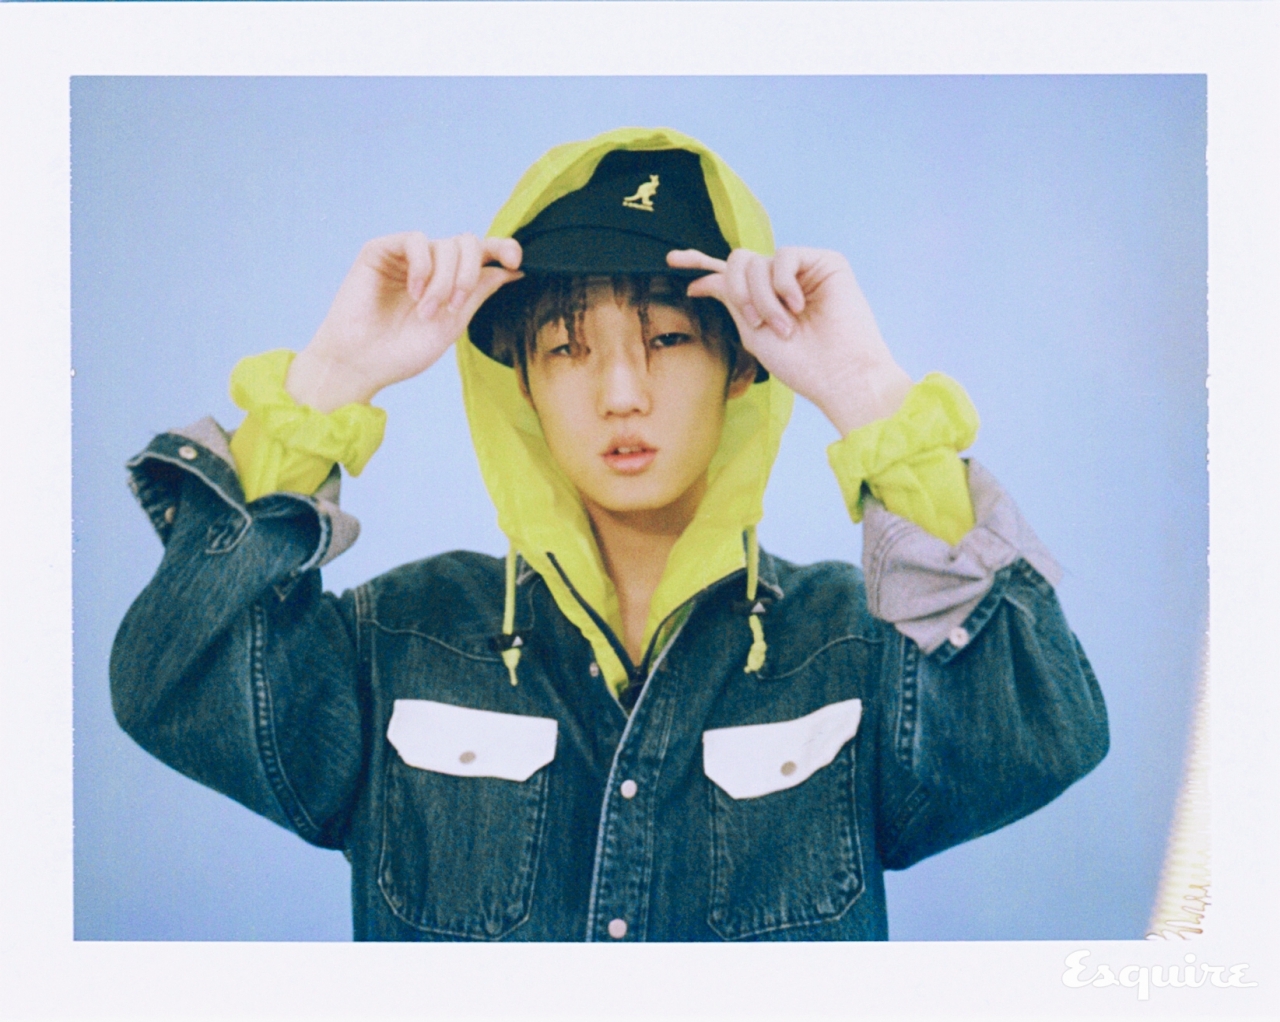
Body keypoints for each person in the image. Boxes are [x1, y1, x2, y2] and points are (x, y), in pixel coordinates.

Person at [110, 127, 1109, 942]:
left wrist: (869, 394)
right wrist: (330, 377)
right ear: (523, 386)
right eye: (565, 346)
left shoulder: (849, 643)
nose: (620, 392)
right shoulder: (402, 636)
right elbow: (178, 681)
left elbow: (1040, 734)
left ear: (741, 367)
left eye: (666, 337)